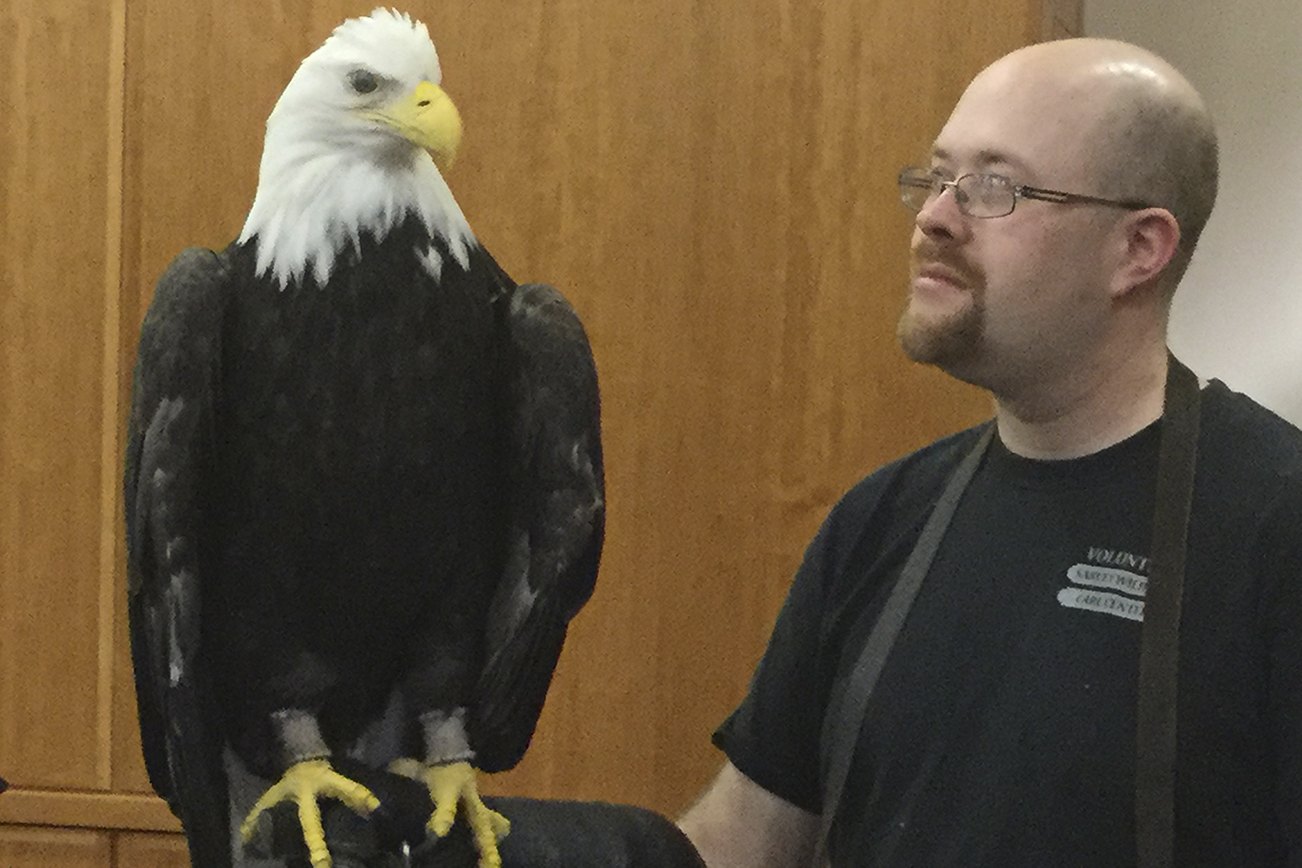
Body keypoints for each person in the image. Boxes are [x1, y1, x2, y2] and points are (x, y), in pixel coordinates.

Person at [677, 37, 1302, 867]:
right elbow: (745, 841)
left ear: (1138, 250)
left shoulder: (1275, 524)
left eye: (993, 188)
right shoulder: (883, 518)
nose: (935, 214)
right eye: (937, 177)